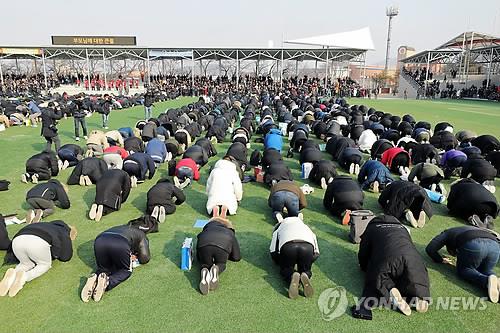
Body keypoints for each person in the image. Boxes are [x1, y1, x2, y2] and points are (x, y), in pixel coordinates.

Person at [356, 215, 430, 317]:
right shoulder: (402, 228)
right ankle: (420, 296)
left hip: (389, 257)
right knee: (416, 274)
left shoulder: (372, 228)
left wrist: (364, 266)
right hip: (412, 256)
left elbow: (363, 251)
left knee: (380, 275)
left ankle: (391, 289)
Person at [0, 221, 76, 297]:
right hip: (37, 242)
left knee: (26, 263)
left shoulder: (44, 224)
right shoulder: (63, 231)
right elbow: (66, 257)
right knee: (44, 264)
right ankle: (24, 277)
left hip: (17, 241)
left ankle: (14, 273)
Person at [426, 226, 500, 303]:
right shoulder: (464, 229)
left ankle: (486, 281)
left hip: (473, 243)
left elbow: (430, 249)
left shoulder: (447, 232)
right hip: (495, 246)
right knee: (486, 270)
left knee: (464, 269)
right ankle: (497, 281)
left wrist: (440, 259)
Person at [80, 224, 150, 302]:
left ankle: (95, 278)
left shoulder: (123, 227)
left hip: (100, 240)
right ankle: (107, 282)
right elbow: (145, 258)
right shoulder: (142, 236)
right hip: (120, 243)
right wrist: (135, 257)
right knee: (126, 270)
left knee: (104, 268)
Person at [270, 215, 319, 299]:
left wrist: (280, 261)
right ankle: (305, 274)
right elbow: (316, 253)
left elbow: (273, 251)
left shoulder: (280, 227)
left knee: (286, 269)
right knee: (305, 269)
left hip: (289, 246)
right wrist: (307, 262)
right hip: (307, 247)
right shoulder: (306, 227)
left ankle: (291, 275)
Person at [196, 217, 241, 295]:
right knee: (221, 264)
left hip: (203, 246)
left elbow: (198, 255)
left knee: (205, 264)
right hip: (222, 248)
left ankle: (204, 269)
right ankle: (216, 269)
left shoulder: (204, 231)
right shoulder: (229, 232)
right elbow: (236, 257)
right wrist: (228, 254)